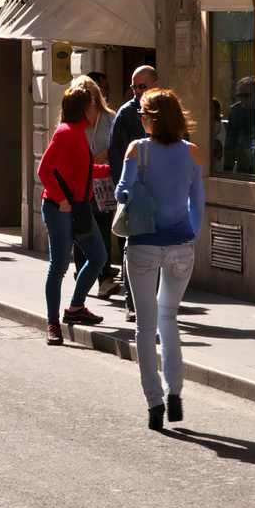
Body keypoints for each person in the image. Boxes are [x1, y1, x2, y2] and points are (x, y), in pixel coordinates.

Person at [115, 88, 204, 430]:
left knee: (145, 326)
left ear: (152, 119)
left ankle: (154, 403)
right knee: (170, 319)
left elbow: (123, 189)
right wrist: (190, 238)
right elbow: (198, 202)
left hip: (143, 245)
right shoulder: (192, 152)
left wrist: (131, 189)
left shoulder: (138, 149)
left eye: (143, 115)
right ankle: (175, 391)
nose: (139, 120)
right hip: (181, 247)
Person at [37, 84, 110, 345]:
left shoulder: (77, 133)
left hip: (78, 207)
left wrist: (113, 169)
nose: (95, 111)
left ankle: (76, 308)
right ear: (84, 109)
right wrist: (61, 199)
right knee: (58, 267)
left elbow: (85, 172)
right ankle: (52, 324)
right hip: (61, 208)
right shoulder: (65, 132)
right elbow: (44, 171)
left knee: (99, 257)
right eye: (93, 106)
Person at [107, 65, 158, 323]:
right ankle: (133, 303)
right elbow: (115, 154)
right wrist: (124, 193)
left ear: (155, 84)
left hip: (161, 194)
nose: (137, 91)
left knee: (159, 248)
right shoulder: (126, 114)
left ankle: (156, 302)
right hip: (135, 194)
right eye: (134, 87)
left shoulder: (167, 109)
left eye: (142, 86)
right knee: (133, 247)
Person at [77, 74, 119, 297]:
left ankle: (104, 279)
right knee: (81, 232)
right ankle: (82, 276)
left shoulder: (110, 118)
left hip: (104, 185)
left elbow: (120, 147)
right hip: (80, 184)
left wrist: (107, 155)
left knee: (103, 230)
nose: (90, 102)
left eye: (92, 96)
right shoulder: (71, 122)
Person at [223, 76, 255, 175]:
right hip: (243, 164)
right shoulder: (235, 111)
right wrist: (227, 169)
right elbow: (230, 140)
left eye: (246, 95)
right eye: (240, 96)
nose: (243, 99)